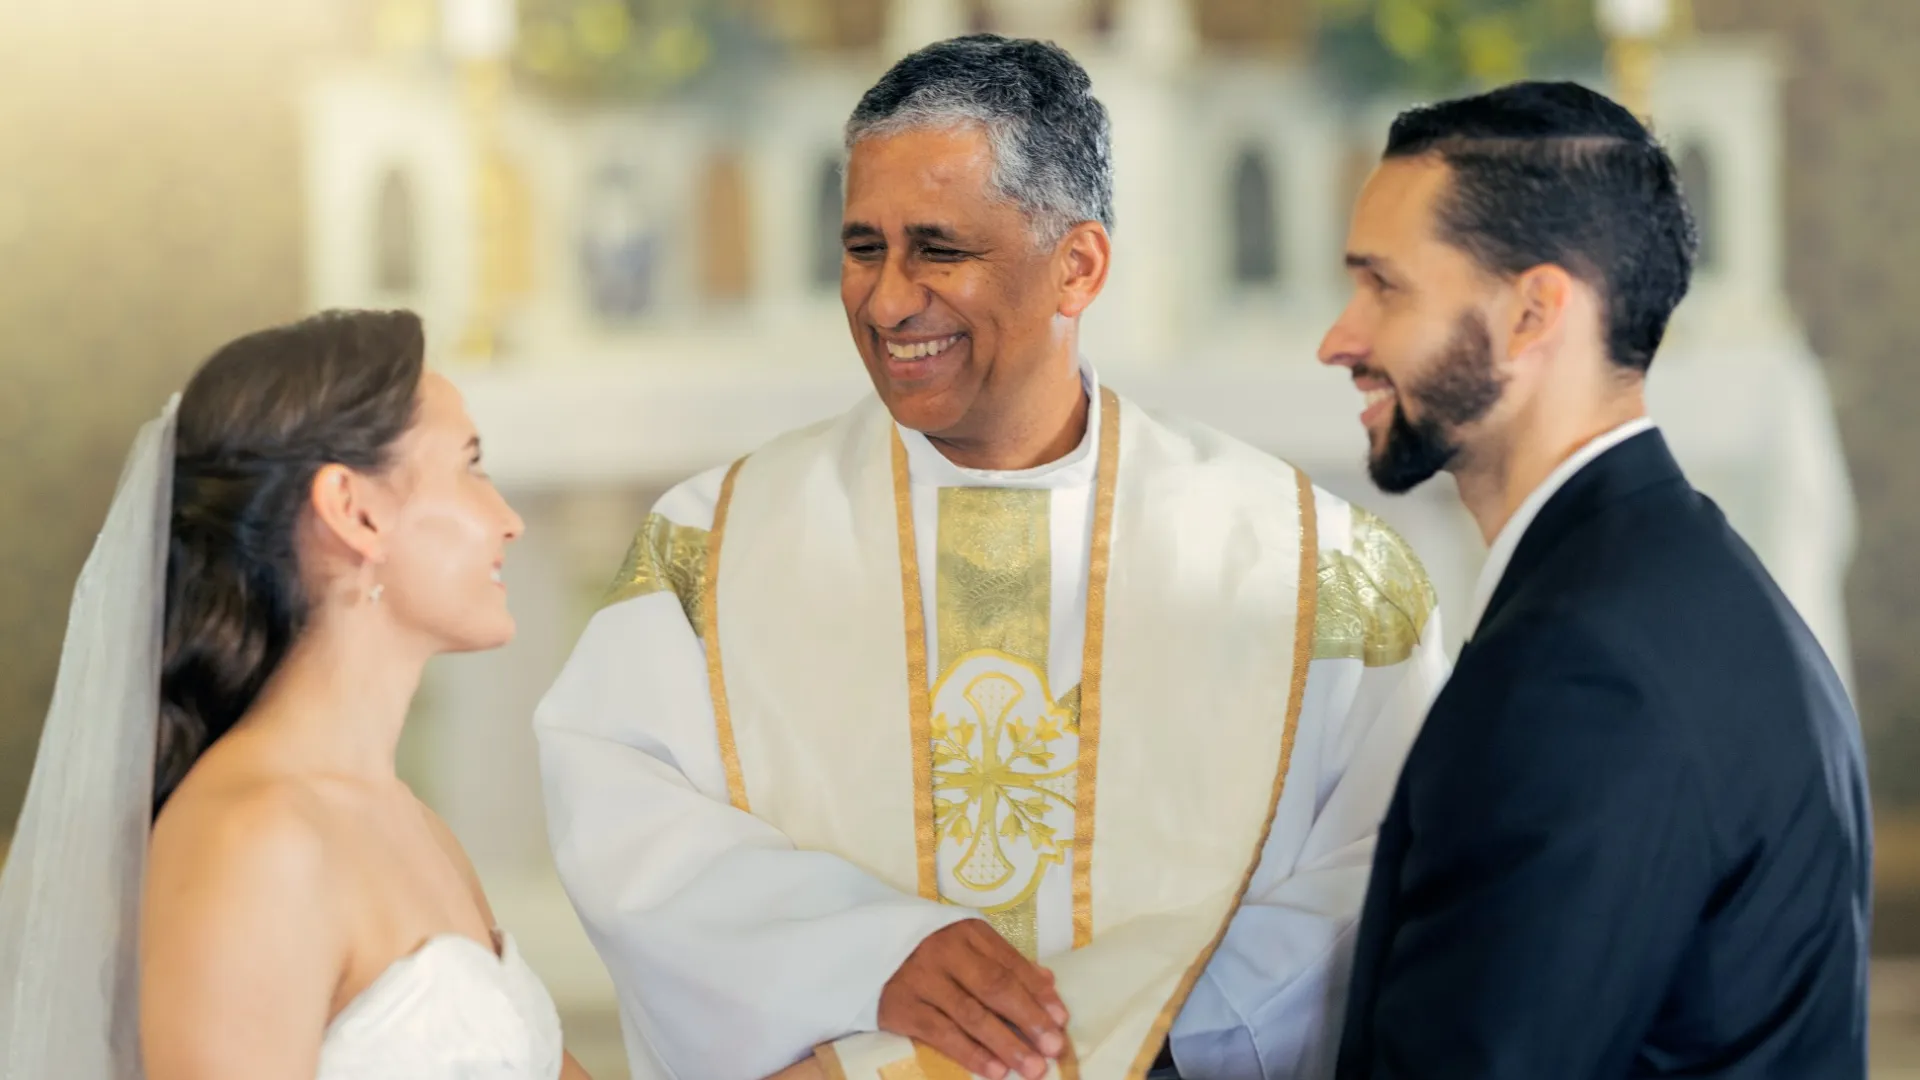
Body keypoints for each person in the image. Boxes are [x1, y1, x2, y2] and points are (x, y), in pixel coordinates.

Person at [537, 35, 1449, 1080]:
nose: (886, 300)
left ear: (1079, 266)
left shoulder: (1306, 563)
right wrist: (871, 953)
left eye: (939, 249)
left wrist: (1116, 1041)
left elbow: (1382, 865)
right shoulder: (715, 543)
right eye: (863, 247)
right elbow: (620, 810)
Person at [1319, 81, 1872, 1078]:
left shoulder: (1580, 675)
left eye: (1385, 286)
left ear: (1533, 312)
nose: (1339, 338)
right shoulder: (1678, 580)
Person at [0, 310, 605, 1079]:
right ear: (354, 511)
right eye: (471, 465)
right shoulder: (253, 841)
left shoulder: (412, 823)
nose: (510, 520)